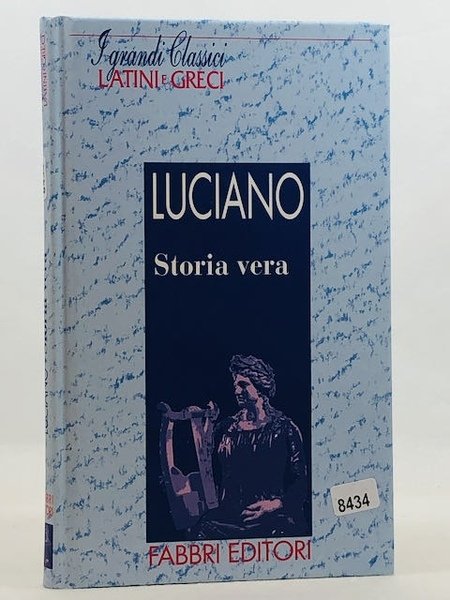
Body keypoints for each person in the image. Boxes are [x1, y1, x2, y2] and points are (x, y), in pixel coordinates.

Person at [193, 354, 309, 540]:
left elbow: (300, 483)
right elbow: (209, 471)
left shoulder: (285, 429)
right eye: (235, 385)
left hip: (272, 519)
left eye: (243, 385)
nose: (237, 391)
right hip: (228, 520)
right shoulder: (225, 428)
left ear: (260, 387)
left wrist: (275, 505)